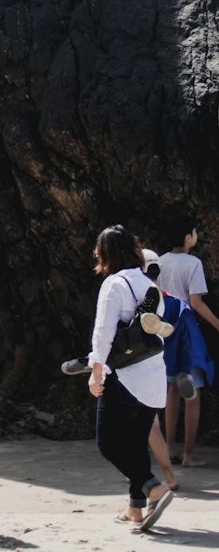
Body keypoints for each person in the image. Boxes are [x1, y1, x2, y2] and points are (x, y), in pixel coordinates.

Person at [87, 225, 172, 531]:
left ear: (104, 254)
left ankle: (153, 488)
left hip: (125, 375)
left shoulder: (114, 284)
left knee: (109, 443)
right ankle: (135, 509)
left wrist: (96, 373)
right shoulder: (150, 284)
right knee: (136, 443)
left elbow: (104, 333)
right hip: (154, 375)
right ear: (134, 249)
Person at [156, 213, 217, 468]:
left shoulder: (159, 262)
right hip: (186, 329)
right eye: (194, 232)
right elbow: (195, 302)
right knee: (192, 392)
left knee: (171, 390)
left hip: (164, 329)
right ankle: (188, 455)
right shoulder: (193, 264)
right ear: (187, 237)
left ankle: (169, 448)